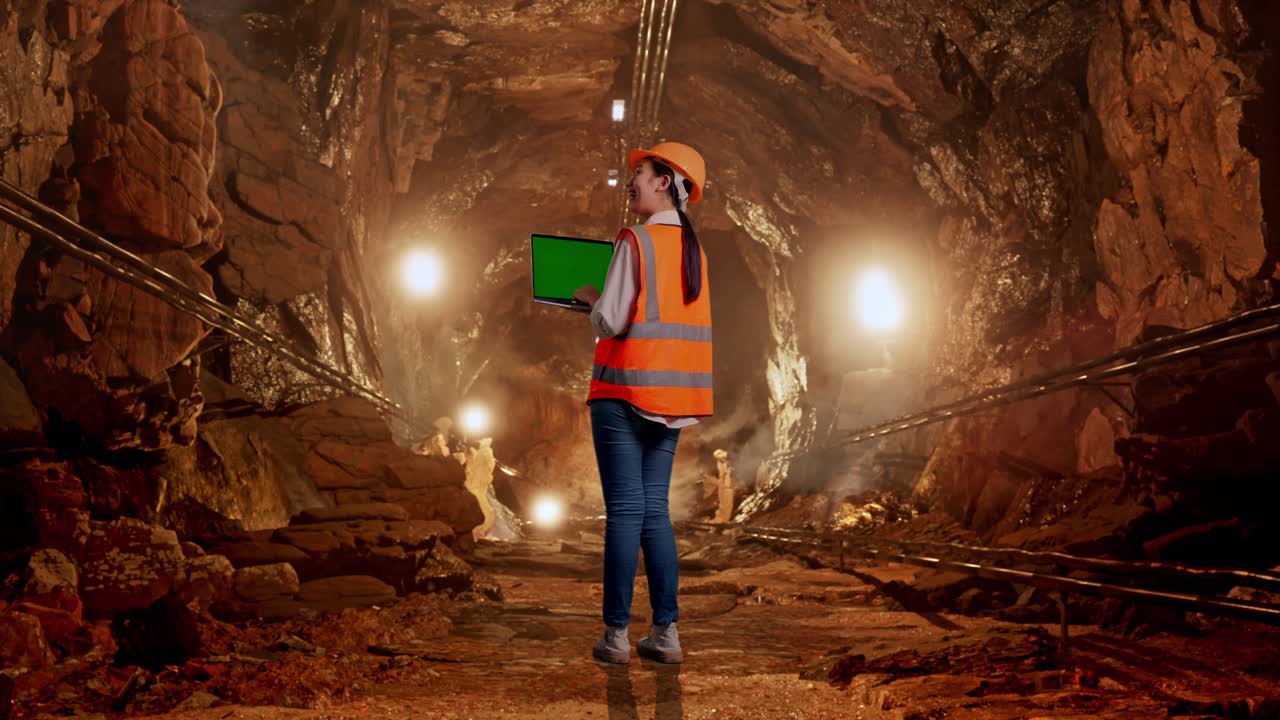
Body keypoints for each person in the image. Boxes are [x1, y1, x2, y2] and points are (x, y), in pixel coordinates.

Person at [573, 141, 713, 665]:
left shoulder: (635, 240)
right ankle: (666, 634)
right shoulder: (696, 251)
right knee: (655, 512)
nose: (631, 181)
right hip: (673, 399)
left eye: (640, 172)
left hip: (624, 392)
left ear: (663, 182)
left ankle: (614, 636)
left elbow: (612, 321)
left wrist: (591, 298)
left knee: (625, 514)